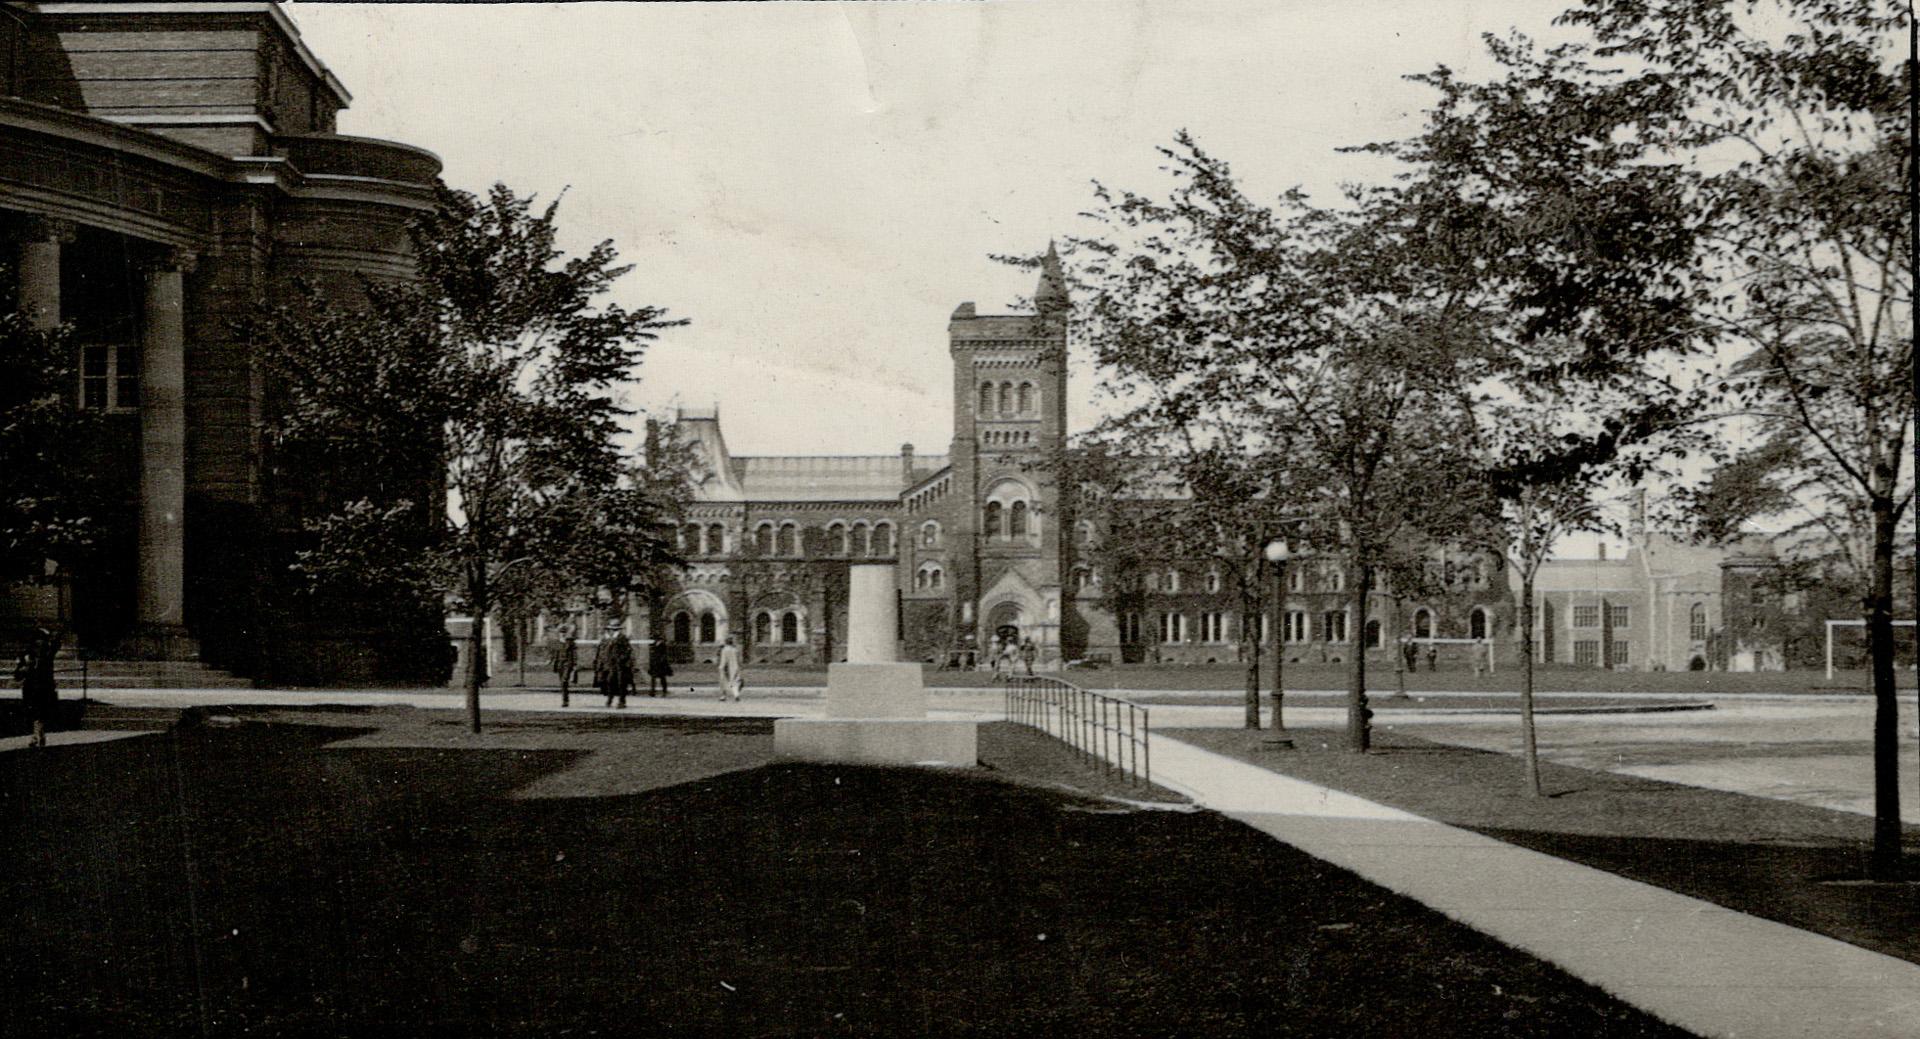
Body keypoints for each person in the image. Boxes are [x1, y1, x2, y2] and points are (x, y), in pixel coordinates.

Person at [14, 627, 59, 748]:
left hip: (44, 686)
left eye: (42, 640)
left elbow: (56, 644)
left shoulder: (47, 654)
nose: (40, 643)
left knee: (41, 712)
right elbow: (17, 675)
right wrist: (23, 669)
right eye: (38, 640)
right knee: (32, 712)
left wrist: (49, 633)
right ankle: (39, 734)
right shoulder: (26, 656)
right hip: (30, 687)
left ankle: (36, 736)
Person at [597, 623, 634, 709]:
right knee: (610, 681)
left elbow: (628, 650)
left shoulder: (622, 637)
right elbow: (605, 651)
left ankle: (622, 701)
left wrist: (622, 658)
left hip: (621, 664)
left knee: (621, 682)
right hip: (611, 664)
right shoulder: (609, 639)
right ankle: (610, 699)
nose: (612, 631)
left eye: (613, 629)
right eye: (611, 629)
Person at [548, 623, 579, 708]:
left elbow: (574, 654)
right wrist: (550, 660)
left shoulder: (570, 642)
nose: (563, 634)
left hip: (568, 663)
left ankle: (565, 700)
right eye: (561, 632)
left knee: (565, 680)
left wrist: (575, 664)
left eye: (564, 632)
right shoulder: (557, 643)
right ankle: (565, 699)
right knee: (562, 682)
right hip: (559, 664)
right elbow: (554, 653)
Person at [717, 635, 743, 702]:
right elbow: (738, 660)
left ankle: (723, 696)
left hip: (726, 668)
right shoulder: (735, 650)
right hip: (735, 667)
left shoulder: (724, 650)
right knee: (734, 682)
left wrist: (721, 667)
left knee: (723, 682)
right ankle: (736, 695)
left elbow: (723, 660)